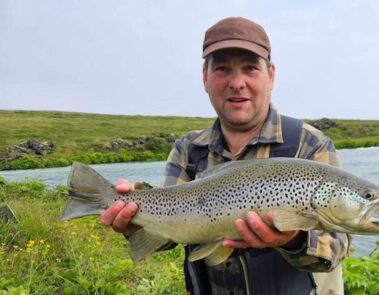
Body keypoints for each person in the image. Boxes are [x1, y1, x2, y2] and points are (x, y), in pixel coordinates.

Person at [100, 17, 350, 295]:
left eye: (250, 69)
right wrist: (133, 222)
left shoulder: (309, 143)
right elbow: (170, 233)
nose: (237, 83)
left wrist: (292, 239)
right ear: (205, 78)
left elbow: (337, 246)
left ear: (271, 75)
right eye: (222, 69)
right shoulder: (188, 150)